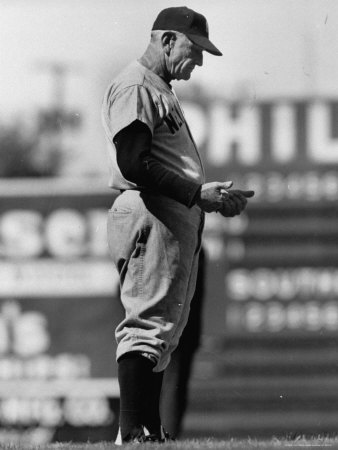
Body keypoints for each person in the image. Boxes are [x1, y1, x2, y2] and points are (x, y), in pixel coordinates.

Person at [101, 6, 254, 445]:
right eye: (195, 49)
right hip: (151, 212)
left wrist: (210, 199)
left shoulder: (158, 87)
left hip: (166, 214)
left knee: (163, 327)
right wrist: (194, 193)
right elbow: (132, 161)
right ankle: (133, 429)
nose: (199, 61)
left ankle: (147, 427)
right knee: (146, 323)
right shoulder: (135, 83)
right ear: (167, 40)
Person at [161, 246, 206, 438]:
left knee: (170, 388)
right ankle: (165, 438)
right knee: (173, 388)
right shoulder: (193, 246)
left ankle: (161, 438)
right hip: (176, 334)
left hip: (167, 333)